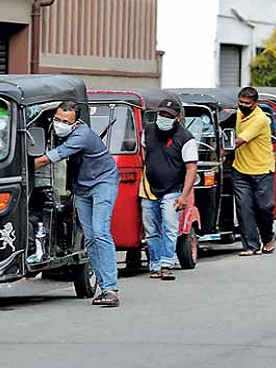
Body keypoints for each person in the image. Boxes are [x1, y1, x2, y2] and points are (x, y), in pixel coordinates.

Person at [33, 101, 121, 307]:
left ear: (75, 123)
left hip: (103, 183)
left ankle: (112, 289)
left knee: (101, 233)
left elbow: (46, 160)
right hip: (82, 187)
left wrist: (19, 167)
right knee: (90, 239)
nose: (60, 124)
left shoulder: (82, 135)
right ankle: (103, 286)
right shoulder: (54, 131)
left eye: (65, 122)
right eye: (57, 119)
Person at [140, 98, 198, 280]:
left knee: (170, 227)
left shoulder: (186, 138)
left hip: (173, 190)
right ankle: (155, 265)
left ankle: (166, 264)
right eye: (162, 114)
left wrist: (184, 196)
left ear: (177, 118)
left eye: (169, 116)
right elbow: (143, 156)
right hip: (149, 189)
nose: (164, 118)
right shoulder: (148, 131)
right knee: (151, 230)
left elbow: (191, 168)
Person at [230, 87, 276, 256]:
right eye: (240, 102)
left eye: (247, 103)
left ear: (255, 103)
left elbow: (238, 141)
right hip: (240, 169)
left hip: (262, 169)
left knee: (263, 208)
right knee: (244, 208)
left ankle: (268, 237)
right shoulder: (237, 114)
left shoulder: (260, 119)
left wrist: (220, 150)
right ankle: (250, 245)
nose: (243, 105)